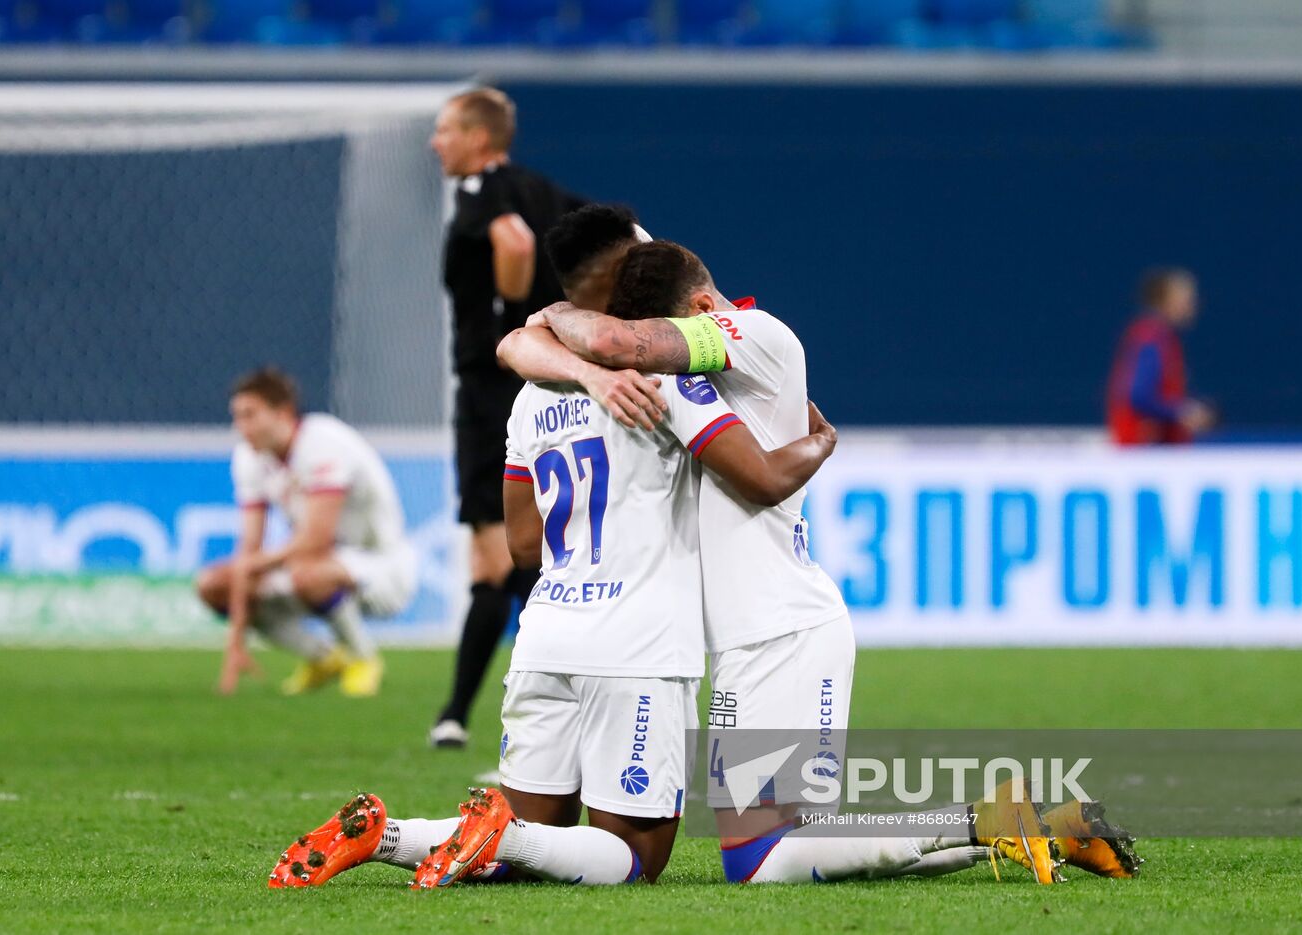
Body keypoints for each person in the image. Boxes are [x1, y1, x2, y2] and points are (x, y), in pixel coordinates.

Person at [500, 213, 1140, 884]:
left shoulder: (753, 332)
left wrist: (550, 313)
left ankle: (991, 821)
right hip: (754, 638)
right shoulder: (706, 380)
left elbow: (616, 341)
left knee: (763, 859)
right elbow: (597, 342)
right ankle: (1030, 825)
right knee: (780, 850)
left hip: (784, 629)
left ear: (699, 312)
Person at [268, 294, 844, 888]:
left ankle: (388, 835)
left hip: (545, 634)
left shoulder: (530, 399)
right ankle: (499, 831)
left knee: (525, 853)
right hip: (637, 645)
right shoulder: (664, 382)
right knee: (635, 859)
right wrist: (819, 437)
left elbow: (522, 545)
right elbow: (758, 474)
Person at [428, 86, 590, 748]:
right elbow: (624, 239)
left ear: (479, 138)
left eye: (446, 130)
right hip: (548, 389)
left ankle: (456, 715)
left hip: (493, 387)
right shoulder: (546, 189)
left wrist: (509, 309)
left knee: (492, 555)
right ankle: (564, 707)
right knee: (532, 552)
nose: (436, 141)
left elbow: (513, 240)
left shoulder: (481, 191)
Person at [197, 368, 415, 698]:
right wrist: (235, 643)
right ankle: (325, 658)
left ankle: (364, 659)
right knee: (214, 585)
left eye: (250, 415)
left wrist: (252, 566)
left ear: (283, 413)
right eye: (237, 417)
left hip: (380, 567)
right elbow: (250, 549)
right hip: (315, 564)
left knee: (308, 572)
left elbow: (316, 540)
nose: (241, 427)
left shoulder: (324, 442)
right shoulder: (248, 458)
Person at [1107, 267, 1216, 446]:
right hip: (1145, 454)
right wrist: (1184, 412)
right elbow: (1138, 396)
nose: (1193, 304)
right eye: (1187, 298)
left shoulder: (1161, 337)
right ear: (1165, 300)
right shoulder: (1151, 337)